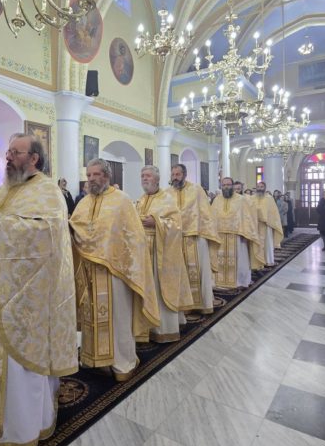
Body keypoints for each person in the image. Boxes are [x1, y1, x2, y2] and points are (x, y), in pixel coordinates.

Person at [0, 133, 78, 446]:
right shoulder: (3, 191)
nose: (8, 157)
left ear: (34, 158)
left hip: (23, 300)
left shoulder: (48, 191)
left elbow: (46, 234)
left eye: (15, 152)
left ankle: (20, 428)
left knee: (16, 366)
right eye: (8, 152)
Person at [70, 158, 159, 381]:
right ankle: (95, 359)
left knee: (118, 317)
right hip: (90, 270)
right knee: (92, 315)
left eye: (96, 174)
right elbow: (76, 228)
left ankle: (122, 361)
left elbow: (134, 236)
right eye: (88, 175)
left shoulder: (122, 200)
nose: (91, 179)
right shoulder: (84, 203)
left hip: (115, 271)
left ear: (107, 176)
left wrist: (126, 263)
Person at [136, 165, 193, 342]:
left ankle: (164, 328)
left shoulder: (167, 198)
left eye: (148, 176)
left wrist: (157, 223)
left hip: (160, 254)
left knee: (159, 290)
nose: (144, 178)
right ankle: (146, 327)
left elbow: (177, 225)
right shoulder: (141, 199)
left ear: (157, 179)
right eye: (142, 176)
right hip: (143, 252)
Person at [167, 164, 220, 315]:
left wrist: (206, 232)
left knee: (200, 271)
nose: (175, 177)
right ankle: (184, 305)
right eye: (173, 174)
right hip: (175, 238)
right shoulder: (167, 193)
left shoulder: (196, 190)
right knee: (179, 272)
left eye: (178, 174)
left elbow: (205, 212)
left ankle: (202, 304)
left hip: (196, 236)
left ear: (184, 175)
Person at [211, 177, 264, 289]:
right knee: (219, 259)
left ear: (232, 186)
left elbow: (247, 217)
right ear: (221, 186)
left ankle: (240, 281)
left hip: (237, 236)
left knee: (240, 260)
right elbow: (212, 217)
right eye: (224, 185)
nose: (226, 187)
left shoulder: (241, 200)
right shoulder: (216, 200)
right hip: (220, 236)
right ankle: (219, 281)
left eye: (228, 185)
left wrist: (246, 231)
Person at [253, 181, 283, 266]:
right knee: (256, 244)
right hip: (255, 225)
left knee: (267, 244)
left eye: (261, 187)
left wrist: (266, 219)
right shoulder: (252, 198)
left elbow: (273, 212)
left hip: (266, 225)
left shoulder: (269, 198)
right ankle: (257, 260)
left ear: (265, 188)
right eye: (258, 187)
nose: (260, 188)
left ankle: (268, 260)